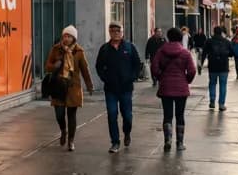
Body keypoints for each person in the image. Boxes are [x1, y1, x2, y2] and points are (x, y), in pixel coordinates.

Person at [44, 25, 94, 152]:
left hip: (73, 86)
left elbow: (84, 69)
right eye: (65, 36)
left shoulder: (79, 52)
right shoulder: (56, 49)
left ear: (74, 38)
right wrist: (55, 65)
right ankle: (63, 131)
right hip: (58, 86)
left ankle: (71, 140)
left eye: (69, 36)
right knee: (59, 114)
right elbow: (47, 66)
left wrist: (89, 85)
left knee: (72, 115)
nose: (66, 38)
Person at [95, 22, 142, 153]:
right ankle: (115, 142)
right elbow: (98, 66)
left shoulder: (129, 47)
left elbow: (137, 64)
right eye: (113, 31)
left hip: (126, 88)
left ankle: (127, 133)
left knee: (127, 115)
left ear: (122, 32)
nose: (115, 33)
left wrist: (132, 77)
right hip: (110, 89)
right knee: (112, 114)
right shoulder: (104, 49)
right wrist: (105, 78)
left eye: (118, 30)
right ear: (109, 32)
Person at [151, 27, 196, 152]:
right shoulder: (185, 53)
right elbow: (192, 70)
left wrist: (161, 77)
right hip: (181, 88)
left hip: (166, 87)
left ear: (168, 37)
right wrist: (186, 80)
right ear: (180, 38)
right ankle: (180, 143)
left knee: (167, 115)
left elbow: (154, 67)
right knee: (180, 115)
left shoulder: (161, 51)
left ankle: (168, 140)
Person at [201, 26, 235, 111]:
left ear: (214, 32)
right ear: (221, 32)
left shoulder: (209, 41)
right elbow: (232, 53)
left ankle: (212, 101)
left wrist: (201, 64)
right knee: (223, 85)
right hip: (224, 66)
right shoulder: (227, 42)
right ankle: (221, 104)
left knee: (212, 83)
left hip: (212, 66)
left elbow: (204, 53)